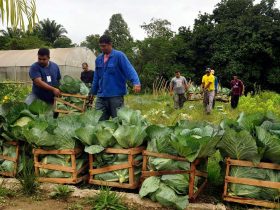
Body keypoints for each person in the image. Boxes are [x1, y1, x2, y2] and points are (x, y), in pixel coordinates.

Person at [91, 35, 141, 121]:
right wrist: (92, 92)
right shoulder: (98, 59)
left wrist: (136, 82)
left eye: (104, 46)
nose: (102, 48)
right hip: (101, 96)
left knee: (119, 121)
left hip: (116, 96)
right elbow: (96, 77)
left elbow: (129, 69)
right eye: (101, 46)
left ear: (110, 44)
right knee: (98, 122)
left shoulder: (119, 56)